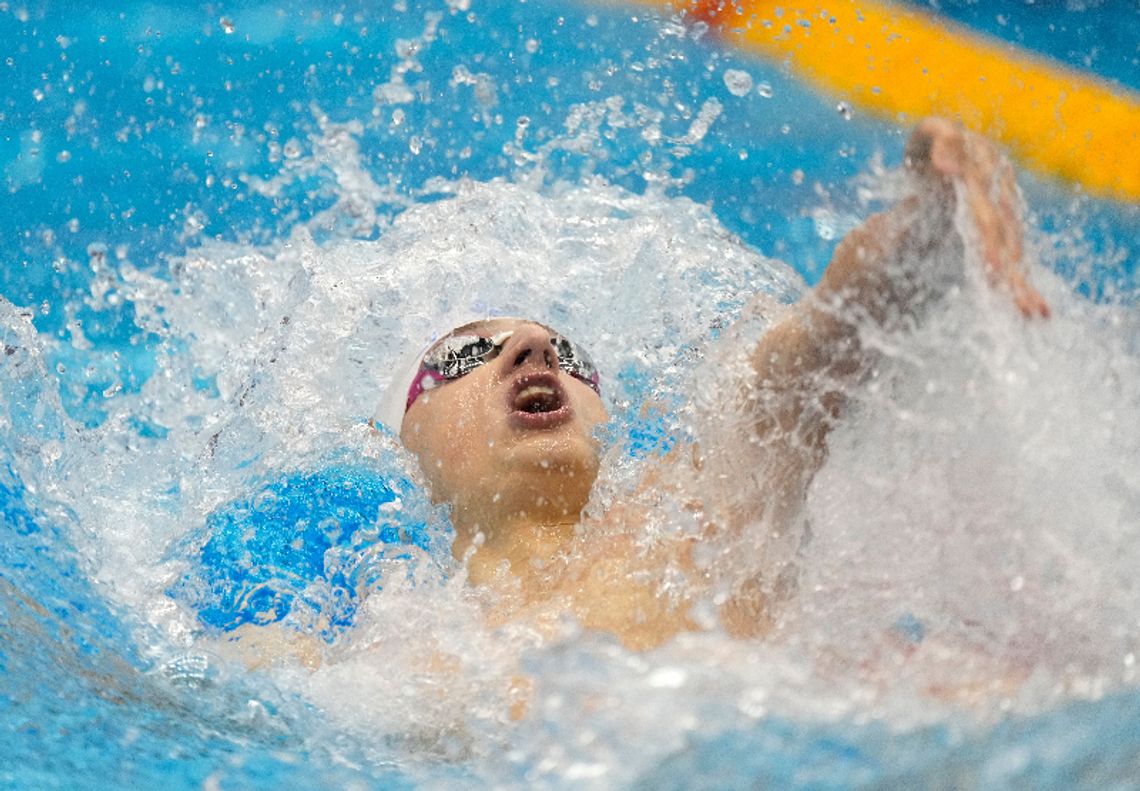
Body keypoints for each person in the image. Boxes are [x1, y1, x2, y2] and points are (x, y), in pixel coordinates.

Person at [387, 118, 1050, 652]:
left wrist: (934, 210)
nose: (536, 350)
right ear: (404, 439)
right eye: (470, 352)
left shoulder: (695, 517)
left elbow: (822, 348)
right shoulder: (392, 659)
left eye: (566, 351)